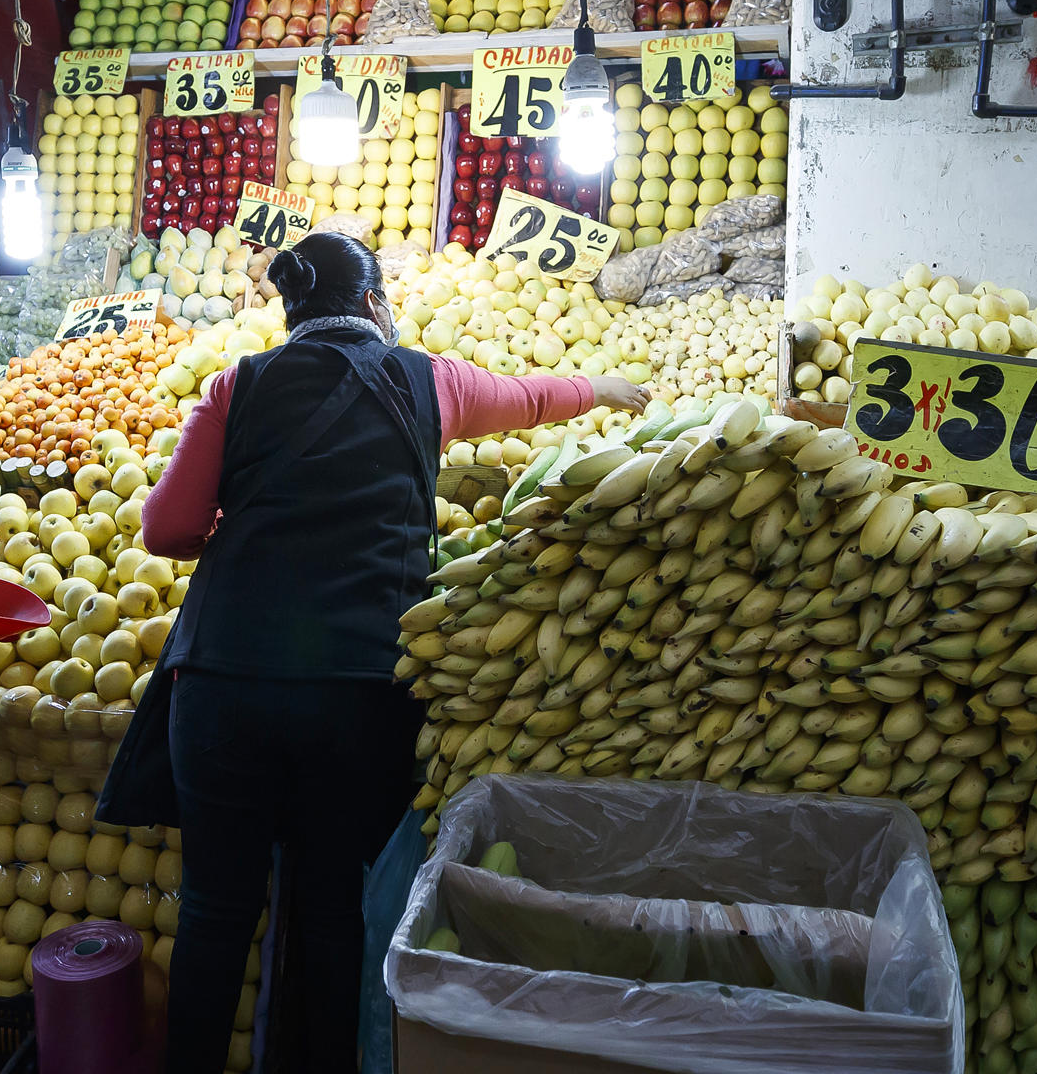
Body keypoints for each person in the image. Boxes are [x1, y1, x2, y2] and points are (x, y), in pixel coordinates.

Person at [96, 232, 647, 1074]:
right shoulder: (431, 380)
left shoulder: (235, 385)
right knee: (329, 907)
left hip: (224, 687)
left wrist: (247, 527)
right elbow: (530, 398)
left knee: (212, 912)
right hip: (355, 692)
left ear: (291, 312)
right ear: (371, 305)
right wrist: (607, 388)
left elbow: (164, 529)